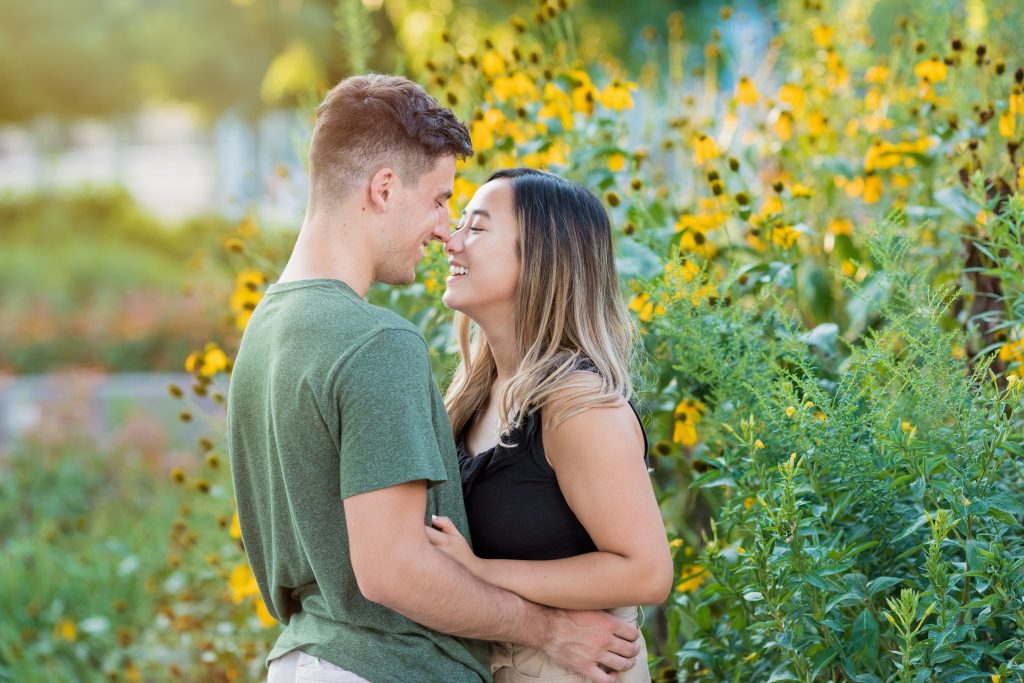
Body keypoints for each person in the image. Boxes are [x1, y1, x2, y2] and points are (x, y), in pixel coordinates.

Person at [227, 75, 641, 683]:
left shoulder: (266, 332)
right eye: (443, 200)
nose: (446, 228)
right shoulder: (377, 343)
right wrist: (550, 630)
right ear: (385, 188)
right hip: (385, 667)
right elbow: (394, 569)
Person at [428, 168, 674, 682]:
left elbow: (646, 572)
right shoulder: (475, 393)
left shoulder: (578, 404)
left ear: (539, 256)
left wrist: (480, 570)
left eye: (476, 228)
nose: (451, 241)